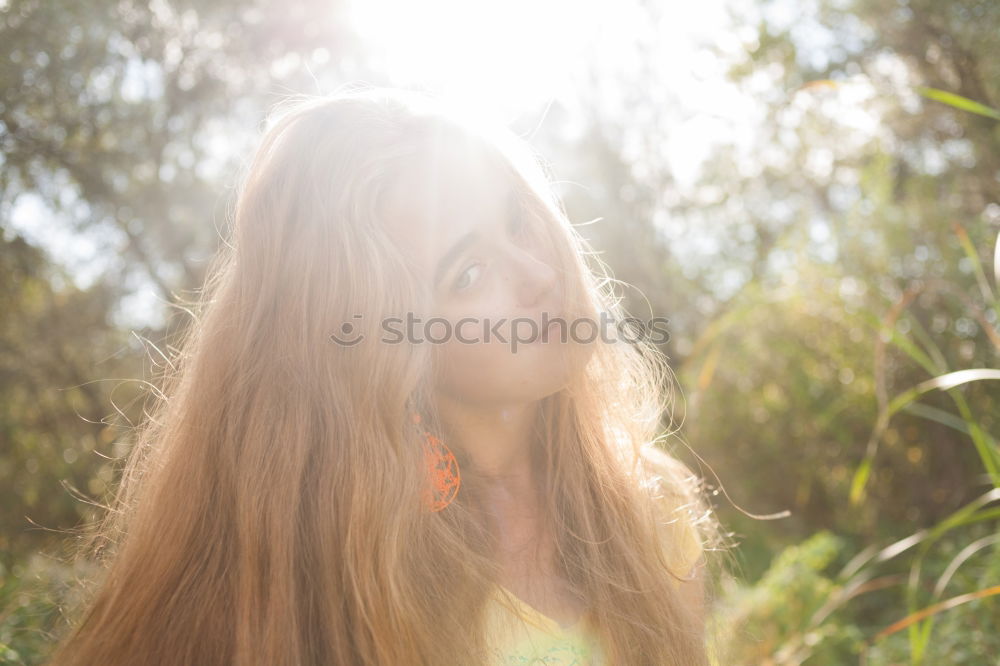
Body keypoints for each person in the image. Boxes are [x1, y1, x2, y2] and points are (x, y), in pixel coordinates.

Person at [48, 85, 723, 665]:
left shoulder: (652, 507)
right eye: (468, 274)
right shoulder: (322, 584)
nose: (541, 277)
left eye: (520, 223)